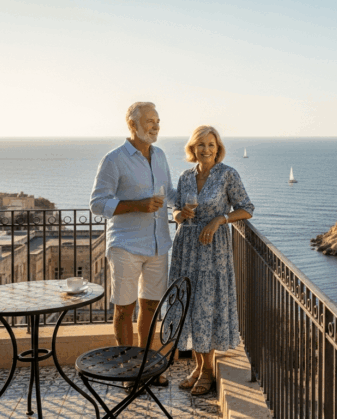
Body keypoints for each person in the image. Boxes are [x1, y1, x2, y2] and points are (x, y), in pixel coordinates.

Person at [90, 102, 174, 388]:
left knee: (150, 306)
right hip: (125, 245)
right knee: (124, 308)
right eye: (150, 121)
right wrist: (135, 205)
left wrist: (182, 207)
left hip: (158, 244)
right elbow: (97, 203)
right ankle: (128, 370)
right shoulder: (113, 160)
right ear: (132, 124)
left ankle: (146, 367)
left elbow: (169, 193)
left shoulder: (160, 156)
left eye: (158, 121)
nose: (155, 126)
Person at [169, 125, 254, 396]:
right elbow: (176, 210)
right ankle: (197, 367)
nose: (206, 149)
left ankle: (207, 372)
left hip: (212, 250)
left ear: (218, 149)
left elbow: (247, 209)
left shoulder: (228, 174)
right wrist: (179, 215)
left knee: (207, 306)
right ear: (192, 148)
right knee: (190, 305)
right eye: (201, 145)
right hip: (186, 247)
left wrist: (220, 219)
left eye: (211, 144)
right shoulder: (185, 177)